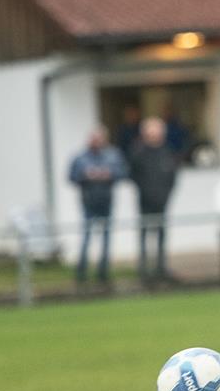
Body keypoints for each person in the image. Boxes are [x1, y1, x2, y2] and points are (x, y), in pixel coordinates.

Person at [69, 125, 128, 284]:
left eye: (99, 138)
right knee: (87, 236)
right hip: (88, 202)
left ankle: (103, 272)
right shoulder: (80, 158)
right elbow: (72, 176)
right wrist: (86, 175)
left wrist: (108, 174)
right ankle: (81, 272)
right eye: (93, 138)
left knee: (106, 237)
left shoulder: (113, 155)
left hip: (106, 201)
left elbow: (122, 173)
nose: (96, 141)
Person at [129, 117, 180, 283]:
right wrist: (145, 191)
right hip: (145, 200)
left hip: (162, 200)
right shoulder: (138, 152)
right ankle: (144, 269)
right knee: (144, 233)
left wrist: (166, 193)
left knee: (161, 234)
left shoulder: (167, 151)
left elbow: (172, 176)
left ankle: (161, 267)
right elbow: (133, 175)